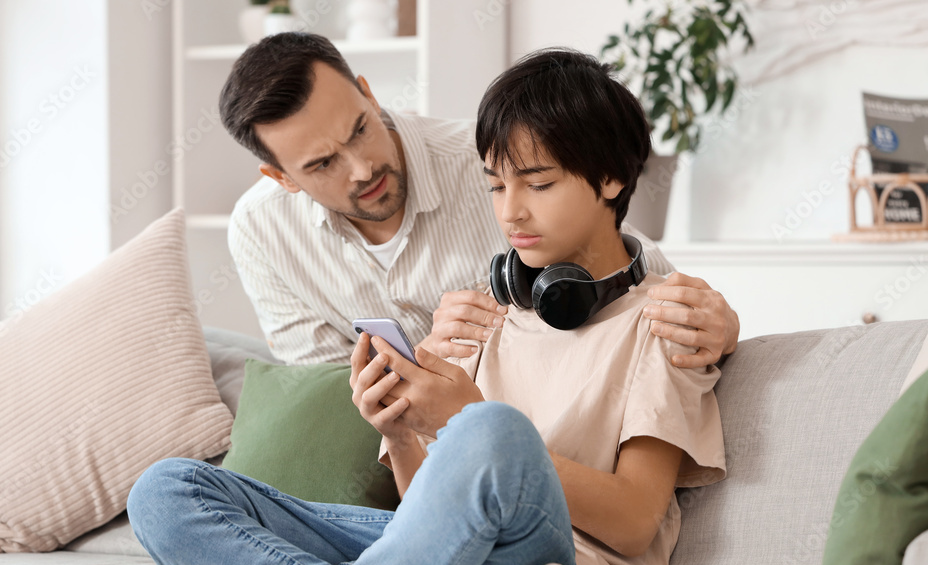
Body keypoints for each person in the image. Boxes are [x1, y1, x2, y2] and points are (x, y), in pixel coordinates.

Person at [127, 46, 726, 565]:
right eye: (495, 188)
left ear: (610, 177)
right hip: (436, 556)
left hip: (548, 560)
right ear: (283, 178)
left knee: (493, 429)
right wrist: (397, 430)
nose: (510, 213)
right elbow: (421, 515)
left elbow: (635, 522)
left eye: (537, 184)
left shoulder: (666, 323)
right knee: (165, 492)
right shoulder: (480, 315)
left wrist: (464, 418)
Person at [219, 32, 740, 368]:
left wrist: (725, 326)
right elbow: (326, 394)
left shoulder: (494, 162)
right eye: (322, 164)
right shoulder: (260, 230)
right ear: (281, 177)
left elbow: (626, 265)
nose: (362, 168)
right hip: (397, 459)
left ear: (369, 94)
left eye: (359, 129)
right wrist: (424, 365)